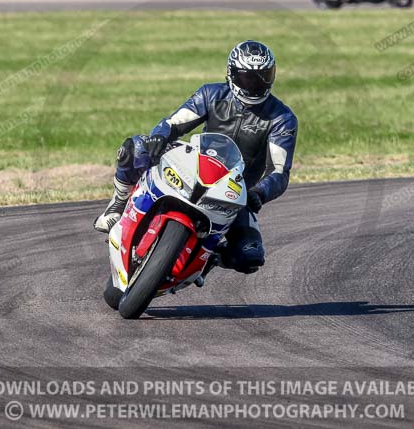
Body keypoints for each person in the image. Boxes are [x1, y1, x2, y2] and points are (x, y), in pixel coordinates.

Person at [93, 41, 298, 275]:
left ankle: (206, 257)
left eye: (263, 76)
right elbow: (173, 123)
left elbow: (279, 172)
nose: (256, 84)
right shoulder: (211, 94)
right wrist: (159, 137)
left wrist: (259, 193)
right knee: (137, 148)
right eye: (248, 77)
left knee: (250, 257)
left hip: (235, 192)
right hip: (194, 168)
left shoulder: (282, 118)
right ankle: (118, 205)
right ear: (231, 74)